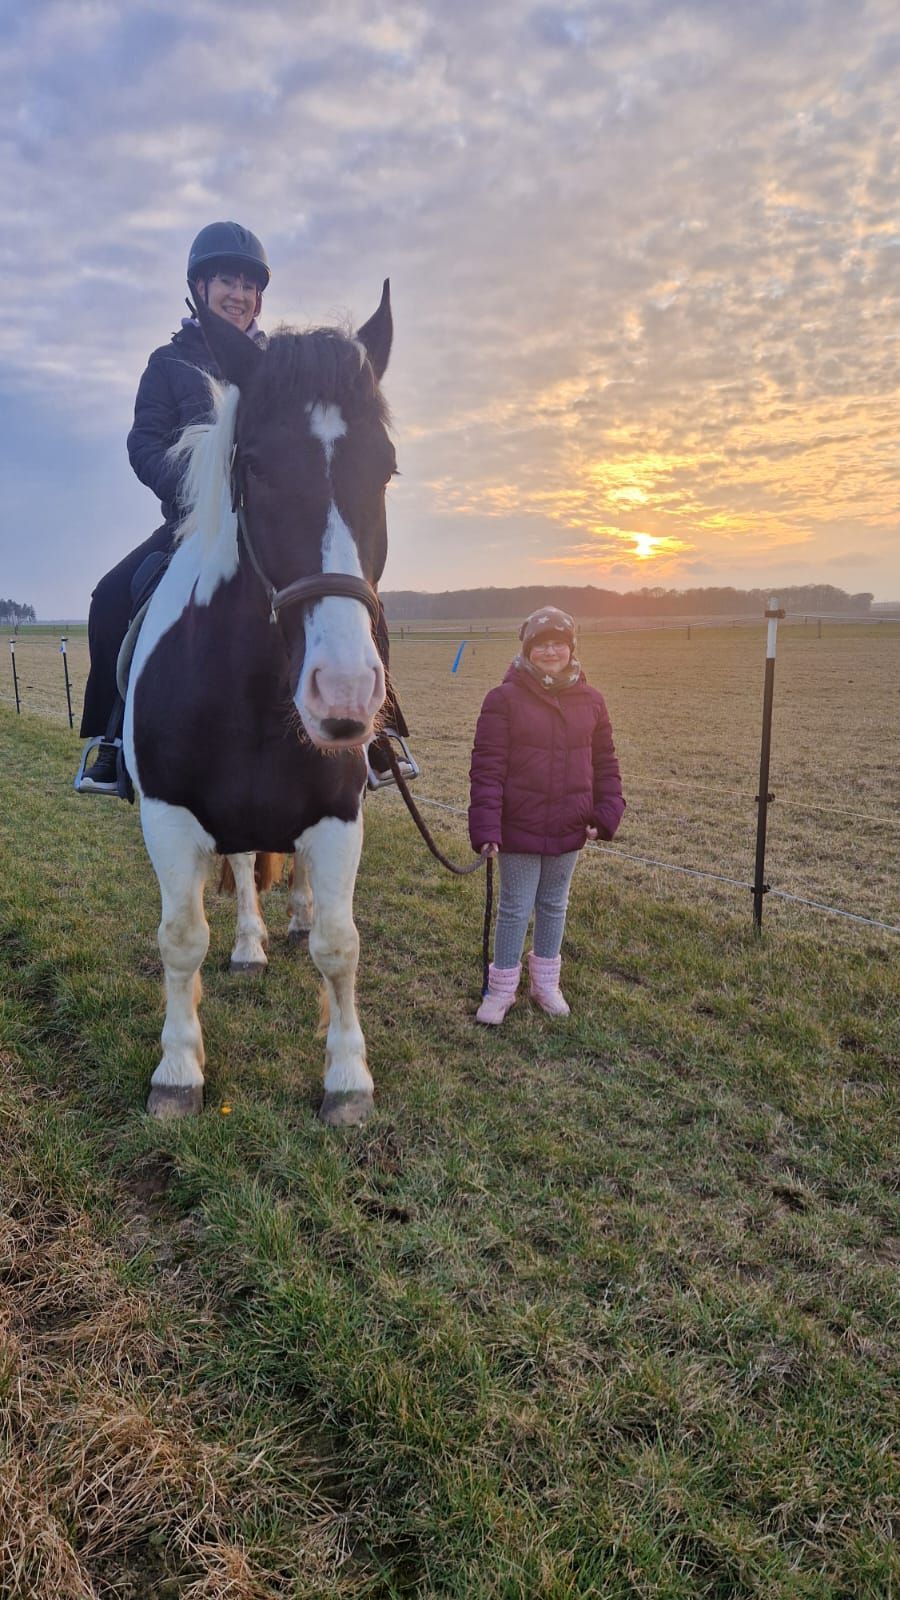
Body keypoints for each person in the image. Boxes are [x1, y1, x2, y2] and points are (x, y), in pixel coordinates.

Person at [75, 220, 416, 794]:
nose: (238, 293)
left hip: (271, 524)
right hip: (193, 525)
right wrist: (195, 485)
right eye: (225, 281)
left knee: (356, 596)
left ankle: (381, 733)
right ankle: (110, 740)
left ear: (260, 295)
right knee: (111, 598)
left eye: (248, 284)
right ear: (199, 288)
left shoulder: (282, 365)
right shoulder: (167, 363)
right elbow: (144, 442)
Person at [468, 607, 624, 1023]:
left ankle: (546, 985)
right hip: (517, 824)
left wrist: (607, 812)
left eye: (559, 643)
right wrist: (485, 825)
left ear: (571, 649)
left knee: (555, 904)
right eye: (542, 644)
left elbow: (605, 763)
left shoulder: (592, 701)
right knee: (516, 907)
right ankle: (501, 990)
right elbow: (487, 768)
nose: (551, 651)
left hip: (569, 823)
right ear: (528, 649)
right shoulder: (502, 700)